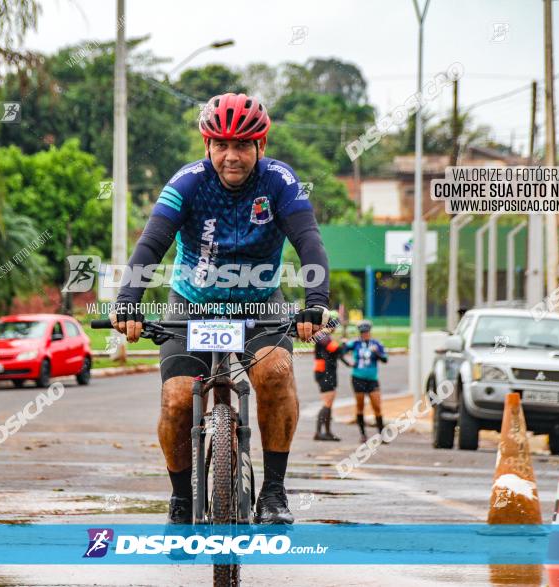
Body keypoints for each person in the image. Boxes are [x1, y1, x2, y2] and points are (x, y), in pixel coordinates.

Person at [109, 93, 331, 525]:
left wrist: (316, 304)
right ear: (206, 145)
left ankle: (273, 492)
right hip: (193, 304)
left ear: (261, 147)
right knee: (176, 400)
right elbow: (152, 243)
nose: (232, 156)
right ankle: (179, 497)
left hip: (259, 304)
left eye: (243, 145)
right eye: (221, 145)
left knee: (276, 374)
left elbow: (309, 241)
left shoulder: (281, 182)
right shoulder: (186, 183)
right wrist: (127, 303)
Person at [344, 320, 388, 443]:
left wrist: (377, 353)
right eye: (362, 332)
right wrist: (348, 362)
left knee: (377, 406)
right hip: (358, 378)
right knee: (360, 406)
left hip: (372, 379)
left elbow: (385, 359)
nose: (365, 334)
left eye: (367, 332)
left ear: (370, 332)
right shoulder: (355, 343)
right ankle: (363, 435)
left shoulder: (377, 344)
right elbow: (341, 351)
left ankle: (381, 434)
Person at [313, 311, 348, 441]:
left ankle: (327, 432)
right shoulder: (322, 335)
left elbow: (337, 354)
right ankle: (318, 432)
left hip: (329, 372)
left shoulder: (325, 336)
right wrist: (344, 343)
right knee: (327, 403)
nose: (335, 329)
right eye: (334, 325)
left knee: (329, 403)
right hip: (324, 373)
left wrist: (348, 362)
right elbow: (335, 349)